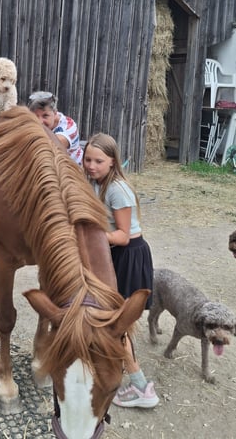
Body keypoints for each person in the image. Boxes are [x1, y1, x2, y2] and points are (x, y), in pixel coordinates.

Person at [83, 132, 158, 409]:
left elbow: (123, 236)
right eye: (88, 160)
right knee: (113, 321)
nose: (91, 166)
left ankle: (141, 387)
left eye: (98, 161)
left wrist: (91, 235)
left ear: (113, 161)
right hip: (113, 254)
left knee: (118, 325)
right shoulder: (95, 183)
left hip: (129, 256)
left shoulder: (117, 189)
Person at [26, 91, 83, 165]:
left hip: (73, 169)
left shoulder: (69, 127)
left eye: (45, 116)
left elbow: (49, 146)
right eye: (35, 116)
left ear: (55, 113)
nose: (40, 121)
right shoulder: (32, 120)